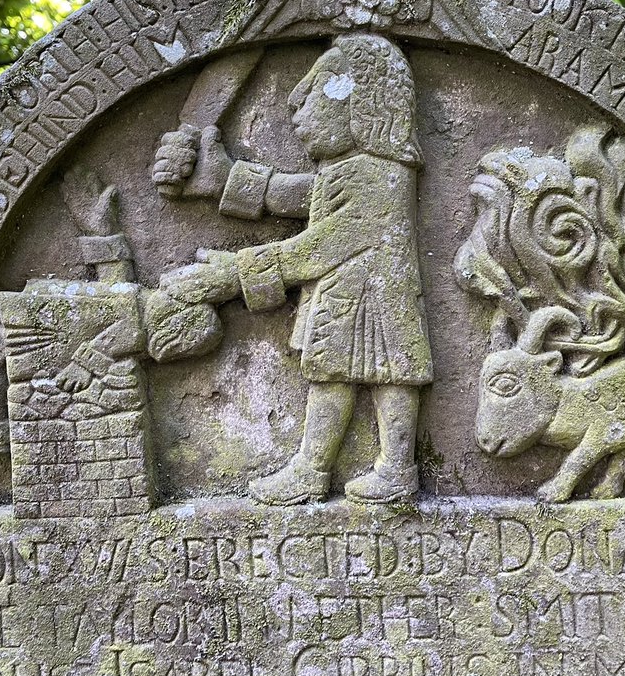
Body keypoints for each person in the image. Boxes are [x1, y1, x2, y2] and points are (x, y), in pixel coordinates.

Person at [153, 34, 432, 505]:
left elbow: (322, 245)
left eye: (310, 103)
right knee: (338, 374)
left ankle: (389, 468)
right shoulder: (348, 170)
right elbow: (300, 196)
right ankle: (321, 467)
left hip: (373, 295)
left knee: (389, 373)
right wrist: (222, 180)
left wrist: (236, 274)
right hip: (348, 292)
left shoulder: (380, 171)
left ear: (361, 104)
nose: (297, 121)